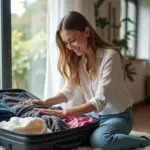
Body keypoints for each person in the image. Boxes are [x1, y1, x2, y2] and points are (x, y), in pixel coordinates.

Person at [22, 11, 150, 150]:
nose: (70, 47)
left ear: (87, 32)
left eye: (73, 40)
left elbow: (100, 100)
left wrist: (66, 112)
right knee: (64, 128)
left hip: (118, 116)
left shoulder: (110, 56)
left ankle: (142, 141)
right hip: (95, 115)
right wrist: (45, 102)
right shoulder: (79, 60)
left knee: (100, 141)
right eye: (66, 43)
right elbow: (68, 91)